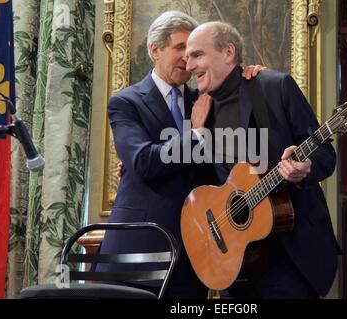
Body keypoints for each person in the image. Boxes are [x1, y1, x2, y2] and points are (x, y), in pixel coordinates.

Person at [97, 11, 264, 299]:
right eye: (179, 48)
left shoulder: (205, 100)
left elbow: (222, 164)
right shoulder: (125, 103)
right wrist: (196, 134)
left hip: (194, 251)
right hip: (139, 248)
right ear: (155, 50)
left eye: (191, 52)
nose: (187, 60)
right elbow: (142, 162)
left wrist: (250, 80)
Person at [184, 21, 341, 298]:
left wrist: (305, 167)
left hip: (290, 256)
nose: (189, 67)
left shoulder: (273, 86)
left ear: (228, 52)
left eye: (197, 55)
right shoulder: (195, 106)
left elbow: (325, 153)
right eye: (186, 58)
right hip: (236, 259)